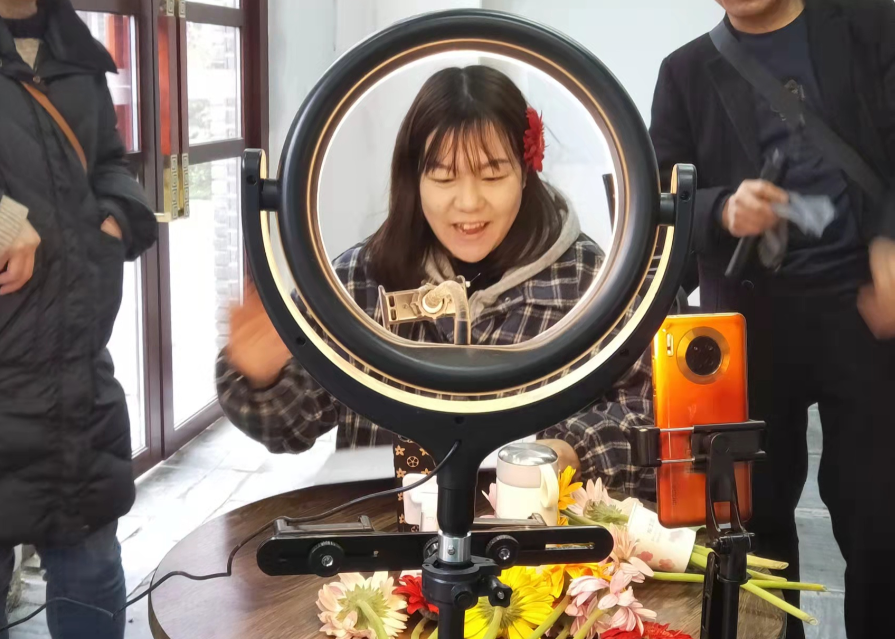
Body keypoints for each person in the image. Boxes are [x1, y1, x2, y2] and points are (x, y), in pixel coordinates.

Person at [217, 65, 656, 499]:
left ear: (526, 172)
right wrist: (261, 375)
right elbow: (292, 426)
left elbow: (644, 412)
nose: (469, 202)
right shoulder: (360, 280)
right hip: (380, 531)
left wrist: (571, 449)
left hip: (537, 532)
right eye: (444, 177)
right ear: (414, 179)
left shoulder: (590, 280)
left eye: (493, 176)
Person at [649, 0, 895, 637]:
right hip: (748, 325)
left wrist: (890, 241)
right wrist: (722, 209)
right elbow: (660, 201)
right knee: (751, 528)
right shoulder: (685, 71)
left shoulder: (873, 26)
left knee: (879, 518)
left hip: (866, 308)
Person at [0, 0, 158, 636]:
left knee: (91, 566)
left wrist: (116, 219)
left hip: (77, 374)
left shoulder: (75, 53)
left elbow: (109, 160)